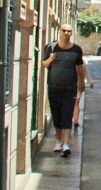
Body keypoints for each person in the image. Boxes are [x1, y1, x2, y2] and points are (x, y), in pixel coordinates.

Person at [42, 25, 87, 158]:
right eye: (64, 31)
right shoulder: (51, 47)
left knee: (67, 114)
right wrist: (51, 58)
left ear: (71, 33)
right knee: (56, 114)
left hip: (70, 88)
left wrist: (82, 82)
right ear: (60, 32)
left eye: (69, 31)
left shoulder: (76, 49)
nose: (66, 33)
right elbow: (44, 64)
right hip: (54, 87)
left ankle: (66, 144)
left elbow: (80, 66)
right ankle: (59, 140)